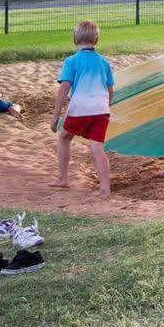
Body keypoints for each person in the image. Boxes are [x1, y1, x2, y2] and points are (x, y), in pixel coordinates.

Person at [51, 19, 115, 197]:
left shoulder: (72, 61)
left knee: (64, 137)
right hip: (102, 110)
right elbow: (110, 90)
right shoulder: (104, 62)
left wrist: (56, 116)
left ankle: (63, 179)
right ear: (96, 40)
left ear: (75, 39)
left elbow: (64, 88)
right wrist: (106, 105)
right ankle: (105, 188)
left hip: (80, 108)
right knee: (97, 147)